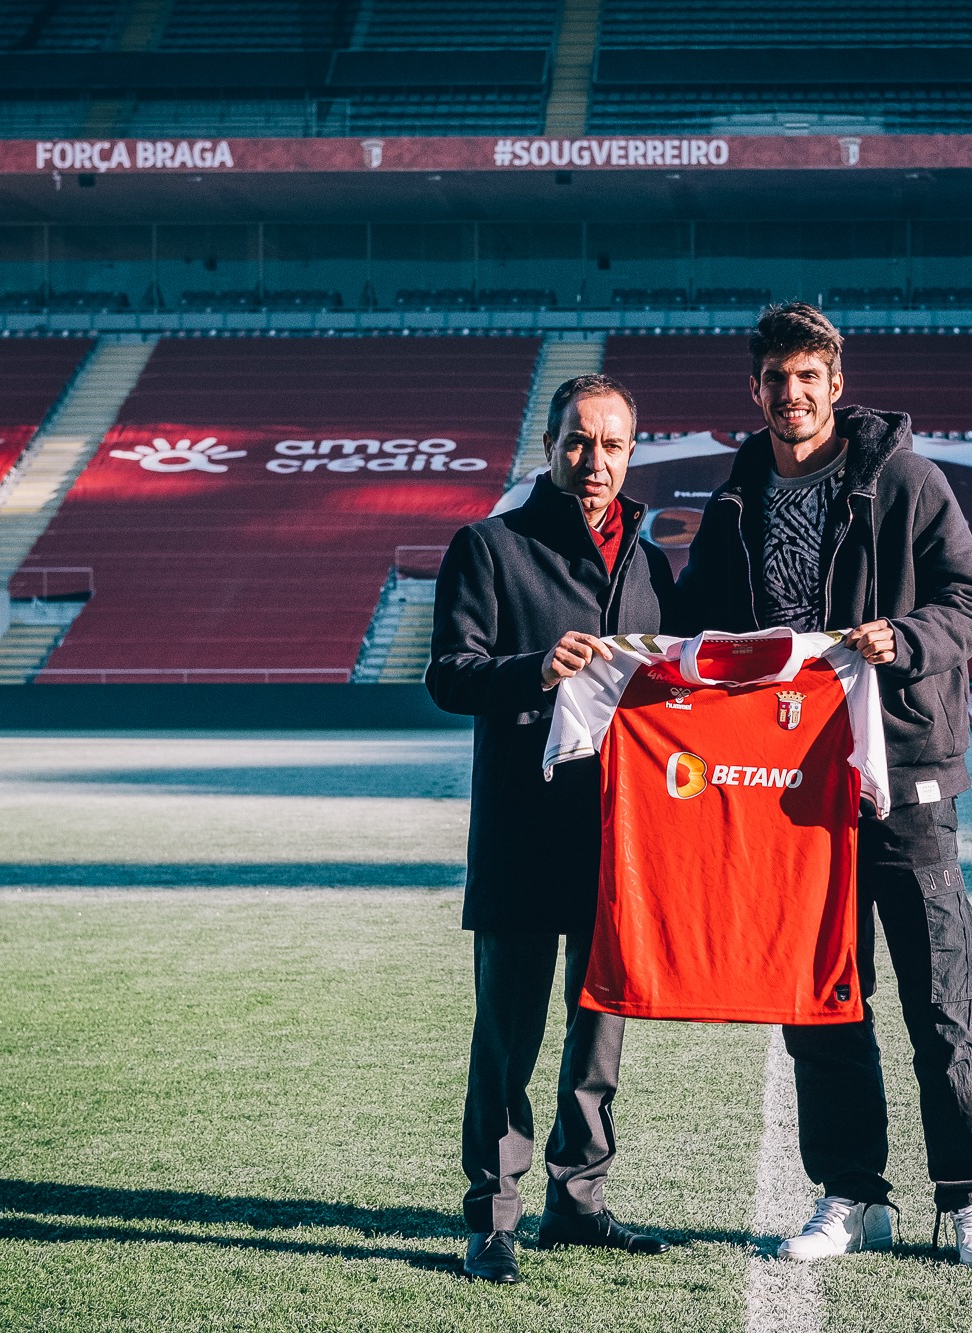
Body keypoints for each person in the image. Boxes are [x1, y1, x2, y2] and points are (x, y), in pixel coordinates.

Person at [676, 304, 972, 1271]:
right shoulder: (736, 496)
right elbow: (699, 626)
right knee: (822, 1000)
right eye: (774, 379)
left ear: (836, 381)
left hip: (903, 778)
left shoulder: (906, 480)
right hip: (790, 788)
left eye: (807, 377)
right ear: (754, 389)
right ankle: (852, 1193)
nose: (791, 394)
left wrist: (902, 639)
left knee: (941, 1000)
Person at [427, 373, 676, 1284]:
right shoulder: (488, 546)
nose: (594, 459)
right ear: (549, 447)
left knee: (599, 1031)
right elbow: (448, 674)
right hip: (523, 835)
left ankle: (578, 1201)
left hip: (621, 841)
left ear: (632, 453)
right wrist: (534, 668)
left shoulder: (653, 565)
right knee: (507, 1039)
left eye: (612, 444)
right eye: (579, 440)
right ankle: (493, 1216)